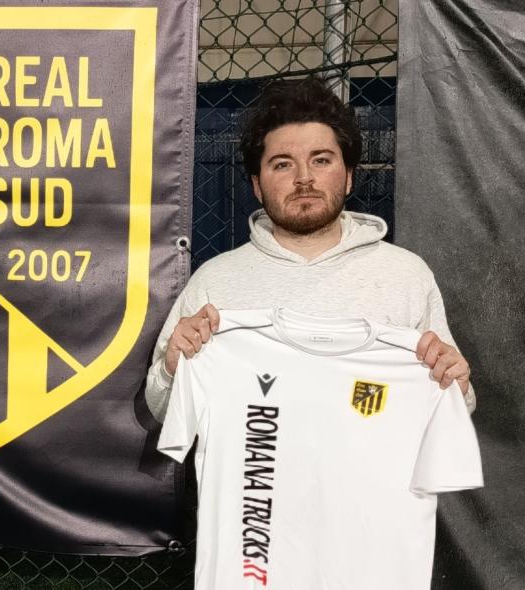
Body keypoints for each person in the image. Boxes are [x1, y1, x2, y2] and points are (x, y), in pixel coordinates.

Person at [145, 76, 475, 420]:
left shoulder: (406, 275)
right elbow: (164, 411)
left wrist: (457, 385)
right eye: (283, 164)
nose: (304, 177)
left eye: (321, 160)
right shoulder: (214, 282)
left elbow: (451, 410)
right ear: (257, 185)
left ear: (348, 175)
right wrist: (171, 369)